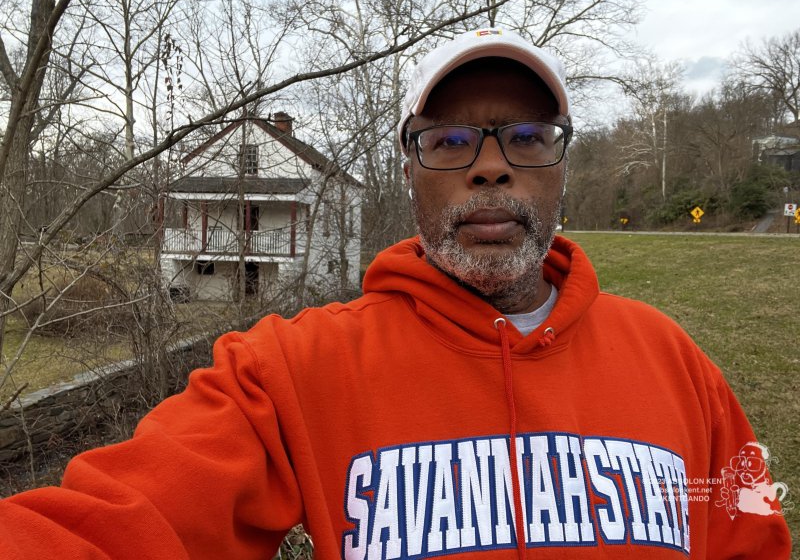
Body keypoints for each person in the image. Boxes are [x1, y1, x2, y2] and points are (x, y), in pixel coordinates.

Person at [0, 28, 791, 559]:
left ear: (561, 166)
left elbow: (755, 534)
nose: (489, 165)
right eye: (448, 140)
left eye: (526, 137)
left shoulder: (675, 362)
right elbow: (120, 525)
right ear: (409, 172)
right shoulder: (293, 369)